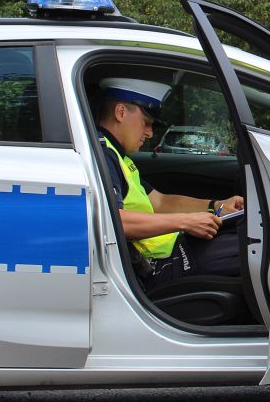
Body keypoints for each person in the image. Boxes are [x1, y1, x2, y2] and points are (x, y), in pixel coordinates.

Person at [95, 77, 244, 289]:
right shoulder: (103, 155)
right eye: (146, 122)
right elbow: (113, 221)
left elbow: (160, 202)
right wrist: (186, 222)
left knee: (240, 237)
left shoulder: (119, 157)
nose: (149, 133)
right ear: (120, 112)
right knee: (248, 251)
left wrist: (217, 205)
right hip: (154, 265)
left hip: (169, 250)